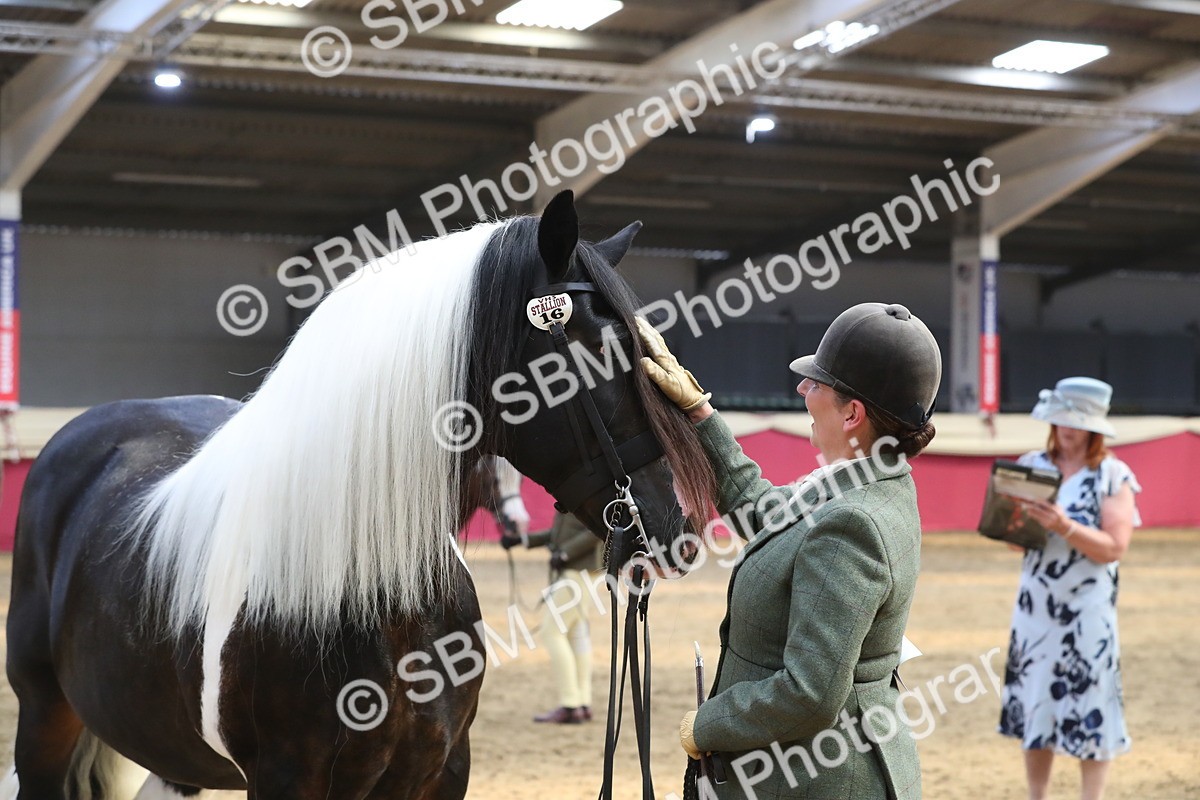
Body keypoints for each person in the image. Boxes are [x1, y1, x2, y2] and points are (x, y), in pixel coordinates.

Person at [637, 303, 941, 800]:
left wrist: (706, 725)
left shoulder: (852, 523)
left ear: (852, 413)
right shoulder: (865, 482)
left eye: (816, 383)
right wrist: (700, 413)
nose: (803, 389)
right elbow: (761, 507)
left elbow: (810, 694)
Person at [998, 377, 1140, 800]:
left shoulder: (1113, 474)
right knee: (1037, 700)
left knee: (1091, 702)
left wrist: (1066, 526)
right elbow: (1009, 538)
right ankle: (1037, 796)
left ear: (1094, 427)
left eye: (1075, 420)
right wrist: (1017, 520)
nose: (1066, 428)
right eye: (1060, 419)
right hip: (1035, 607)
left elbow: (1114, 548)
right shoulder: (1031, 464)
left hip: (1089, 611)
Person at [502, 511, 603, 724]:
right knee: (577, 635)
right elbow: (560, 534)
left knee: (552, 633)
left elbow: (597, 530)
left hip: (577, 570)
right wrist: (522, 540)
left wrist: (565, 553)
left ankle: (570, 704)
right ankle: (582, 703)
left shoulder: (584, 491)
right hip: (581, 571)